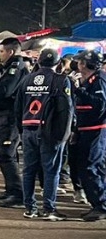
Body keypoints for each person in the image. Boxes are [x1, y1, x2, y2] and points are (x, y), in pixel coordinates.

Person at [17, 48, 74, 220]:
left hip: (28, 128)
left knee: (28, 171)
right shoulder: (61, 80)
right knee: (51, 171)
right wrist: (65, 133)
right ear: (58, 64)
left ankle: (30, 208)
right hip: (50, 131)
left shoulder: (26, 80)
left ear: (38, 61)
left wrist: (22, 130)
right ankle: (49, 209)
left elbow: (18, 107)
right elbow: (66, 109)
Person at [0, 38, 31, 208]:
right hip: (1, 116)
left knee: (6, 154)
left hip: (10, 117)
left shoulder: (16, 68)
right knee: (5, 154)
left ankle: (17, 194)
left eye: (2, 51)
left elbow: (4, 91)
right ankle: (10, 189)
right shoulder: (4, 68)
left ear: (11, 52)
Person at [72, 51, 106, 222]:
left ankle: (100, 205)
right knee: (89, 166)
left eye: (80, 61)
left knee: (91, 166)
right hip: (86, 128)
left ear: (84, 64)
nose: (78, 64)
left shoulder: (98, 79)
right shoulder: (88, 80)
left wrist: (77, 91)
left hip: (96, 129)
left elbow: (99, 104)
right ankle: (98, 203)